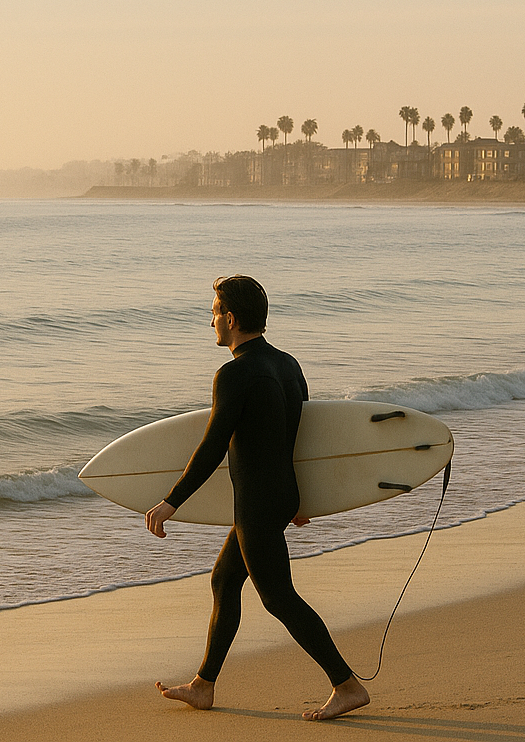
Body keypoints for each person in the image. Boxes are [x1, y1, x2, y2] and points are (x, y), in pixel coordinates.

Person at [147, 275, 369, 721]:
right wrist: (299, 498)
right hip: (277, 494)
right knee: (225, 580)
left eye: (213, 312)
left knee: (278, 598)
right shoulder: (288, 365)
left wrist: (173, 501)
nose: (210, 321)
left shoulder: (233, 373)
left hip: (257, 501)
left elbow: (213, 445)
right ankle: (203, 685)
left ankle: (346, 684)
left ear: (230, 319)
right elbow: (295, 437)